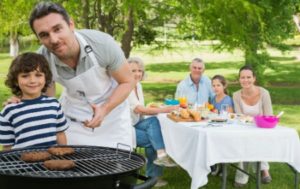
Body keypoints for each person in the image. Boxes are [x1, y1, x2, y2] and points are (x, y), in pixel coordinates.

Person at [26, 2, 135, 148]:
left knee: (118, 167)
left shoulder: (102, 44)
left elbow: (127, 81)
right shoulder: (42, 59)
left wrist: (105, 109)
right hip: (73, 120)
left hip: (112, 118)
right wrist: (24, 100)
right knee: (74, 167)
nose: (53, 40)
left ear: (71, 25)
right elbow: (47, 99)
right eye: (44, 35)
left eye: (57, 29)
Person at [0, 52, 68, 150]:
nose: (32, 80)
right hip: (23, 164)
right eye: (25, 76)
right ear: (16, 80)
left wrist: (64, 155)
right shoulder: (9, 111)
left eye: (38, 75)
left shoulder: (54, 104)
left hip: (51, 162)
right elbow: (7, 146)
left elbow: (60, 133)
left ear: (46, 78)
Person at [127, 57, 178, 187]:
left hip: (136, 122)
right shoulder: (126, 86)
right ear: (126, 71)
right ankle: (154, 177)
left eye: (140, 70)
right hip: (124, 128)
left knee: (155, 122)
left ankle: (160, 156)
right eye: (133, 70)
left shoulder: (138, 85)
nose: (138, 74)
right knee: (154, 140)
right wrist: (165, 109)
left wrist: (156, 110)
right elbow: (139, 109)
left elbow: (141, 109)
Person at [233, 65, 272, 187]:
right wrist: (248, 122)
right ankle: (250, 172)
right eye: (242, 77)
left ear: (254, 78)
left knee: (256, 140)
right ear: (239, 79)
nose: (246, 80)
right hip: (243, 129)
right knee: (245, 140)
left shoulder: (264, 93)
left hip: (262, 128)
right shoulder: (236, 95)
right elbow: (239, 116)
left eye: (248, 77)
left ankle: (263, 169)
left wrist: (254, 122)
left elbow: (268, 115)